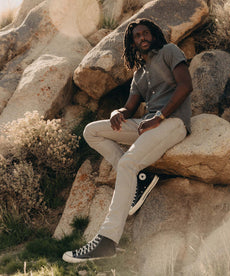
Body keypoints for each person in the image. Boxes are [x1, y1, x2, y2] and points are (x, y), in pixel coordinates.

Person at [62, 18, 193, 263]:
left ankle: (107, 241)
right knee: (92, 131)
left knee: (126, 164)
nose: (142, 38)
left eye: (146, 33)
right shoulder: (139, 73)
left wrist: (161, 116)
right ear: (132, 43)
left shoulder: (169, 51)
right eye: (136, 36)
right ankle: (139, 179)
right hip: (148, 124)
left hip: (173, 121)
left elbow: (186, 86)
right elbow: (129, 108)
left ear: (154, 34)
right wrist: (117, 113)